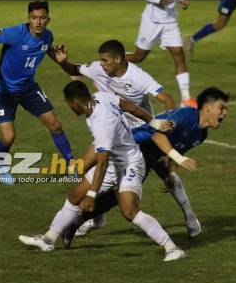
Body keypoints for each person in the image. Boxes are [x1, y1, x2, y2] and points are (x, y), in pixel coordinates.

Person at [18, 81, 186, 262]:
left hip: (128, 163)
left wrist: (91, 195)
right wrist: (154, 122)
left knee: (129, 211)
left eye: (68, 103)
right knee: (75, 195)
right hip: (114, 161)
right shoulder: (101, 97)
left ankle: (172, 248)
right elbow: (130, 106)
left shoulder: (102, 123)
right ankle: (48, 240)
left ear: (74, 102)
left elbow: (102, 163)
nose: (69, 108)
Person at [62, 87, 229, 246]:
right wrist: (179, 159)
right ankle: (59, 226)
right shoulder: (186, 115)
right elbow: (157, 135)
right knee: (83, 173)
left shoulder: (201, 134)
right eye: (221, 108)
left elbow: (178, 149)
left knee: (118, 199)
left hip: (145, 158)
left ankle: (72, 224)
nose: (225, 113)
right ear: (207, 107)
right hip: (128, 145)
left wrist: (171, 173)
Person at [0, 0, 74, 184]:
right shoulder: (15, 34)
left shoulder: (47, 36)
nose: (38, 22)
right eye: (34, 18)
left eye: (42, 18)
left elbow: (49, 51)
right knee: (9, 137)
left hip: (29, 88)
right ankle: (0, 163)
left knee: (55, 124)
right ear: (28, 18)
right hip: (4, 90)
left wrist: (64, 63)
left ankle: (71, 165)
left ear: (48, 19)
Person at [126, 0, 196, 108]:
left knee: (179, 54)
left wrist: (181, 0)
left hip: (170, 21)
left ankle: (186, 99)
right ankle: (106, 63)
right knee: (139, 57)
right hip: (152, 20)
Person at [53, 39, 175, 128]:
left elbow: (167, 98)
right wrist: (63, 62)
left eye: (104, 60)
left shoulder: (139, 77)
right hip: (113, 123)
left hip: (141, 124)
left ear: (117, 59)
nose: (101, 63)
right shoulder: (98, 68)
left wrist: (170, 119)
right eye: (100, 60)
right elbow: (74, 70)